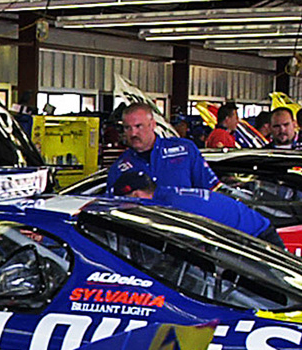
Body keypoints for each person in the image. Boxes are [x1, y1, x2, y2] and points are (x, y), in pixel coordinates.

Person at [113, 168, 283, 246]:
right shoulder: (169, 193)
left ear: (136, 195)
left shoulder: (170, 207)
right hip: (254, 230)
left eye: (125, 201)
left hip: (258, 240)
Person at [106, 101, 218, 194]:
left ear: (153, 124)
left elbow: (211, 191)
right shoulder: (119, 168)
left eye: (138, 126)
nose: (133, 133)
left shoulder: (185, 150)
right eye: (127, 128)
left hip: (185, 219)